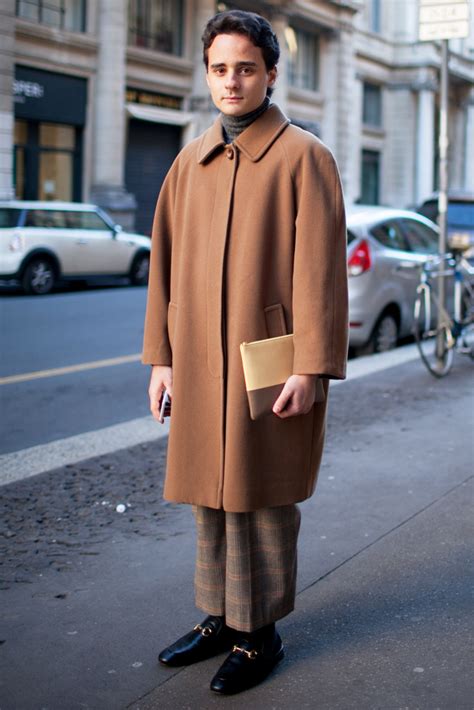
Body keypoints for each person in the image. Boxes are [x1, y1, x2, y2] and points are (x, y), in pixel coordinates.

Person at [142, 9, 348, 696]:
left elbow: (320, 274)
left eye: (246, 68)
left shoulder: (303, 157)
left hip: (269, 361)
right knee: (210, 495)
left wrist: (312, 367)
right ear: (208, 74)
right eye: (220, 68)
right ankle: (219, 620)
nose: (232, 81)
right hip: (200, 362)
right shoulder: (188, 163)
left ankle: (259, 635)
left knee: (259, 500)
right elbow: (163, 271)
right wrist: (161, 361)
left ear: (271, 74)